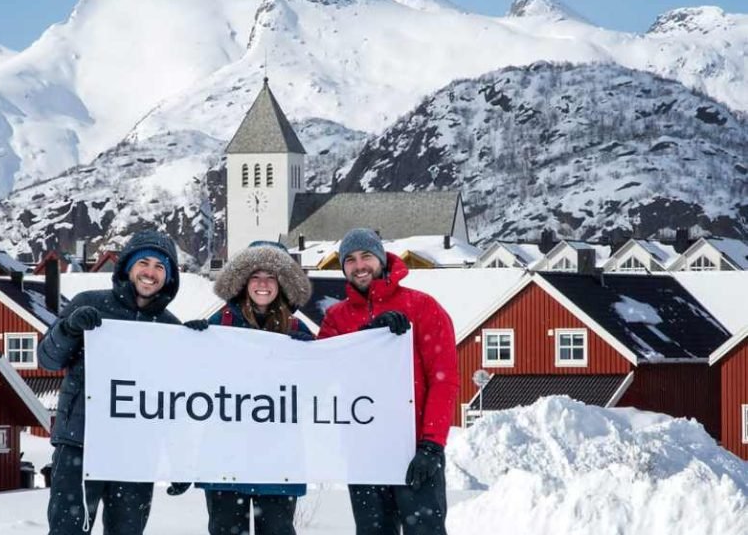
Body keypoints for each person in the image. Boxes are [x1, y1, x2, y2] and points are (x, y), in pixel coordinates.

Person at [37, 230, 183, 535]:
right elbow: (48, 360)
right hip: (80, 442)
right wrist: (70, 328)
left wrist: (180, 459)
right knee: (68, 530)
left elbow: (175, 401)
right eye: (144, 262)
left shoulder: (171, 328)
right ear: (128, 267)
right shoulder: (89, 303)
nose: (150, 272)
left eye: (160, 267)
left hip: (136, 452)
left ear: (168, 277)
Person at [317, 228, 459, 535]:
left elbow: (444, 381)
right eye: (350, 260)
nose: (359, 266)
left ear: (381, 259)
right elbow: (323, 375)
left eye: (366, 256)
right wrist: (368, 337)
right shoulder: (336, 319)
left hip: (414, 451)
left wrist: (431, 446)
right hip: (365, 452)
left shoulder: (423, 307)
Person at [173, 240, 313, 535]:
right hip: (225, 455)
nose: (263, 284)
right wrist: (194, 343)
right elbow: (193, 383)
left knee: (277, 530)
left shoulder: (297, 330)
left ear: (283, 282)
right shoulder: (219, 324)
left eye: (271, 276)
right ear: (243, 281)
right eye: (255, 276)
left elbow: (320, 391)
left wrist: (313, 356)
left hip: (279, 457)